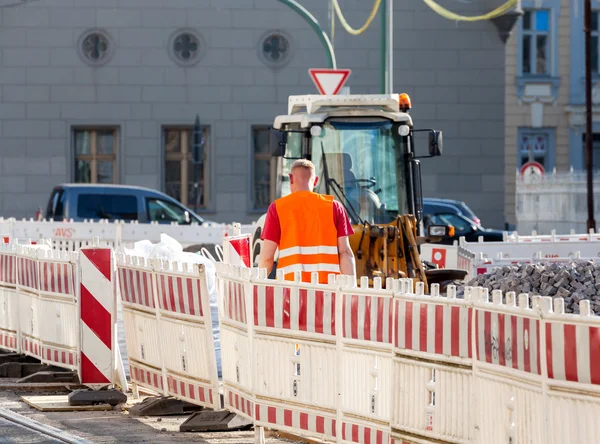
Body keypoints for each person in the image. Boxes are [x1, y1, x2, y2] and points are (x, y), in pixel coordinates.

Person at [258, 159, 357, 284]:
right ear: (316, 181)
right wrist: (351, 290)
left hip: (290, 289)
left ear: (290, 178)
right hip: (327, 289)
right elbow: (345, 252)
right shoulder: (334, 207)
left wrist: (258, 284)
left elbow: (267, 257)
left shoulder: (277, 208)